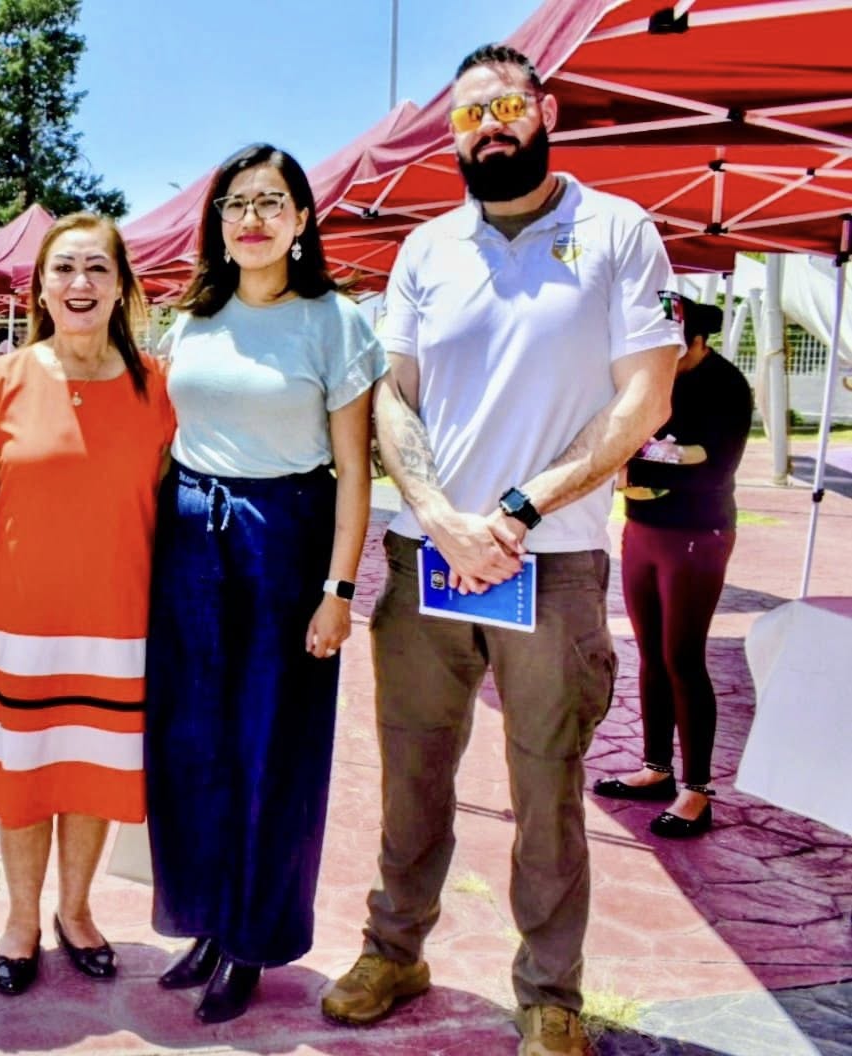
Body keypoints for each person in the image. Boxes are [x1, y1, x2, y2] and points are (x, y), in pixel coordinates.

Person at [320, 45, 682, 1056]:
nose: (489, 128)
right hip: (428, 560)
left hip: (551, 561)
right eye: (469, 116)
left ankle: (549, 992)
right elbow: (393, 397)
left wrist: (518, 509)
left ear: (545, 111)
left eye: (507, 107)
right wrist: (437, 512)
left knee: (546, 787)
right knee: (412, 774)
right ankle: (394, 950)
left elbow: (645, 397)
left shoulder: (618, 232)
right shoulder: (427, 249)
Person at [145, 143, 385, 1024]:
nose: (252, 218)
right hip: (189, 542)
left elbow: (354, 472)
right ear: (217, 220)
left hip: (286, 539)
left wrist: (337, 590)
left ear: (301, 219)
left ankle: (253, 937)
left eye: (270, 202)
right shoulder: (192, 321)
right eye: (236, 203)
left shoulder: (335, 321)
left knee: (272, 746)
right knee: (193, 742)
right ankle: (207, 919)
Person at [0, 213, 174, 997]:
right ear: (41, 288)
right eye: (63, 269)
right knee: (24, 778)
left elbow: (162, 508)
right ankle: (20, 920)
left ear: (120, 288)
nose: (80, 283)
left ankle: (74, 913)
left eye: (96, 269)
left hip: (118, 622)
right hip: (20, 622)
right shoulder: (3, 378)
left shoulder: (158, 386)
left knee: (92, 776)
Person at [593, 296, 753, 838]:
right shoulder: (655, 376)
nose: (664, 354)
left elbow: (712, 465)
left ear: (700, 341)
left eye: (675, 346)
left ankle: (697, 790)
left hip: (695, 534)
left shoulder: (725, 386)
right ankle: (656, 769)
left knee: (683, 657)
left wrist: (636, 469)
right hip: (643, 529)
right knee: (651, 655)